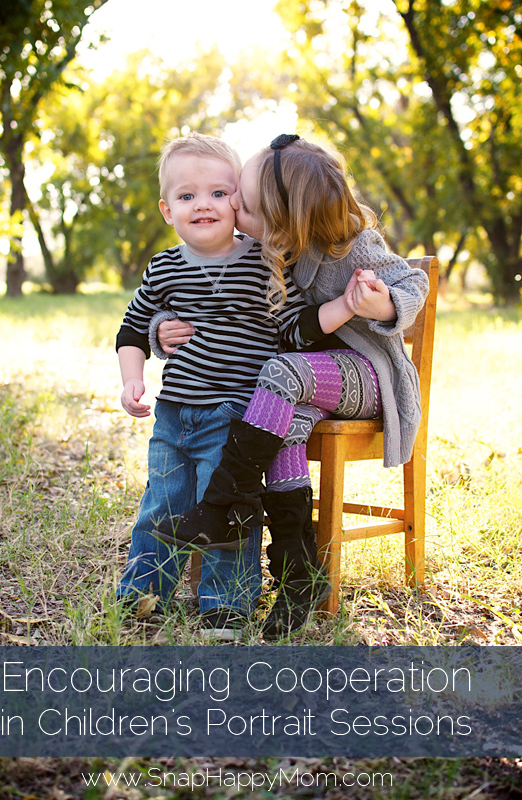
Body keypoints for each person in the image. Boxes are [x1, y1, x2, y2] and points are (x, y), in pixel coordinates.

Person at [152, 134, 430, 640]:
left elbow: (413, 285)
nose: (233, 205)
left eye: (247, 205)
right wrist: (163, 325)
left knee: (281, 372)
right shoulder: (268, 248)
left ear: (284, 220)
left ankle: (217, 508)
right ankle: (298, 576)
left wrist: (382, 304)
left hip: (368, 376)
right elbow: (207, 294)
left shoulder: (354, 242)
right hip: (309, 387)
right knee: (284, 426)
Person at [116, 131, 351, 636]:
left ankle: (228, 603)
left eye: (219, 193)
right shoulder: (163, 269)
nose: (203, 205)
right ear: (166, 209)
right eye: (187, 196)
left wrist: (344, 307)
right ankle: (143, 594)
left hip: (236, 413)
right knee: (163, 500)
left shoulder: (263, 260)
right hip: (175, 411)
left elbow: (294, 326)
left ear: (240, 200)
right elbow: (133, 327)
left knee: (230, 507)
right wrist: (132, 378)